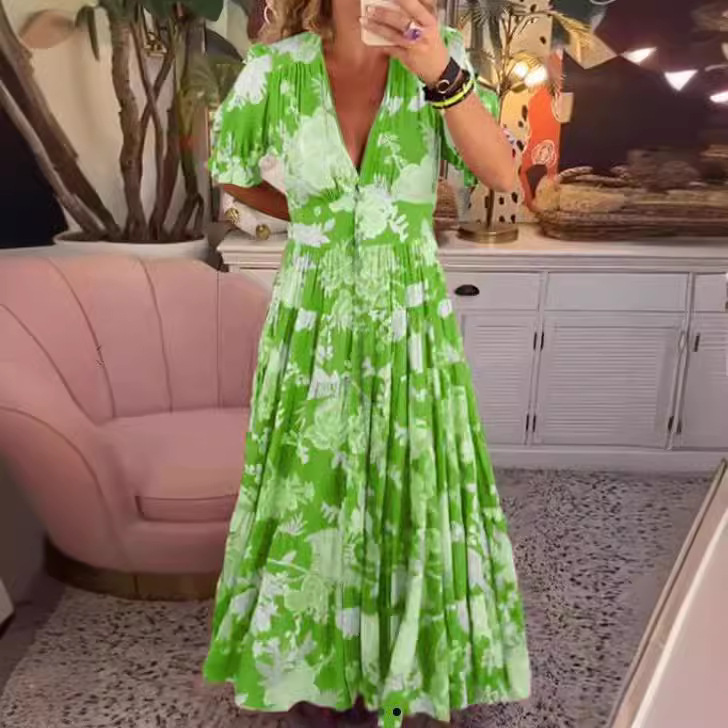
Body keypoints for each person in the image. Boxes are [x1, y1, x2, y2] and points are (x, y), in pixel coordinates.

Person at [203, 0, 531, 726]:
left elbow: (500, 172)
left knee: (409, 481)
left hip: (408, 319)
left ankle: (403, 664)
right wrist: (314, 212)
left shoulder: (441, 57)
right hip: (312, 319)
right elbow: (229, 169)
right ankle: (313, 663)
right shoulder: (274, 70)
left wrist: (436, 69)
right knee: (312, 484)